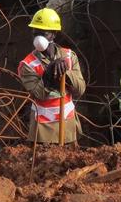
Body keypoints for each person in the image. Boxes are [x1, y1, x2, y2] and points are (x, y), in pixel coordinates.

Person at [17, 8, 85, 145]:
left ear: (53, 34)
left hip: (68, 128)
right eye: (35, 33)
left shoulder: (69, 57)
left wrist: (65, 72)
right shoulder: (28, 64)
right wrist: (47, 76)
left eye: (43, 33)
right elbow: (38, 94)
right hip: (43, 131)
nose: (38, 38)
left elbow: (80, 89)